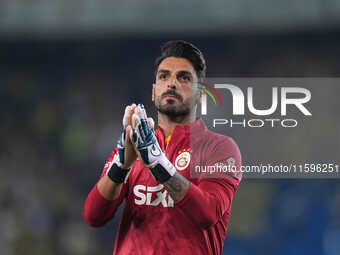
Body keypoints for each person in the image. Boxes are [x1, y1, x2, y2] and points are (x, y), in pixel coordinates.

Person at [83, 40, 242, 255]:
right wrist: (121, 165)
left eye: (183, 78)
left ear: (200, 94)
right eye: (163, 76)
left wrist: (158, 164)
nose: (171, 84)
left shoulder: (219, 148)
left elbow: (208, 214)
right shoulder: (133, 144)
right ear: (153, 90)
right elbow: (94, 216)